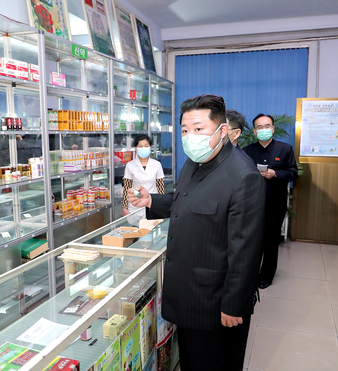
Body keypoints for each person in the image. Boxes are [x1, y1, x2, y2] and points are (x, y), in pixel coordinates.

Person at [128, 94, 265, 371]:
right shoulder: (194, 161)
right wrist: (152, 201)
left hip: (216, 303)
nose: (190, 136)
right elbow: (187, 199)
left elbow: (246, 251)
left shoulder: (243, 176)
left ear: (222, 130)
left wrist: (234, 306)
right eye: (185, 130)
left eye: (199, 129)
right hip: (187, 294)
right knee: (191, 361)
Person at [243, 113, 298, 289]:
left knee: (271, 242)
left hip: (275, 204)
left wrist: (276, 174)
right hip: (252, 205)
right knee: (252, 242)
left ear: (273, 129)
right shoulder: (247, 151)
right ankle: (250, 274)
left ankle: (266, 276)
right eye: (260, 127)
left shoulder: (285, 149)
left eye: (267, 126)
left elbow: (293, 172)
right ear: (254, 131)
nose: (264, 130)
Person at [122, 134, 165, 221]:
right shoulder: (130, 165)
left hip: (153, 203)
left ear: (150, 147)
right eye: (140, 146)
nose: (143, 148)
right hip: (135, 204)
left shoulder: (157, 165)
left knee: (153, 230)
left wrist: (162, 204)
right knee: (135, 231)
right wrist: (124, 207)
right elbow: (127, 187)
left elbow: (160, 187)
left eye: (146, 146)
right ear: (136, 148)